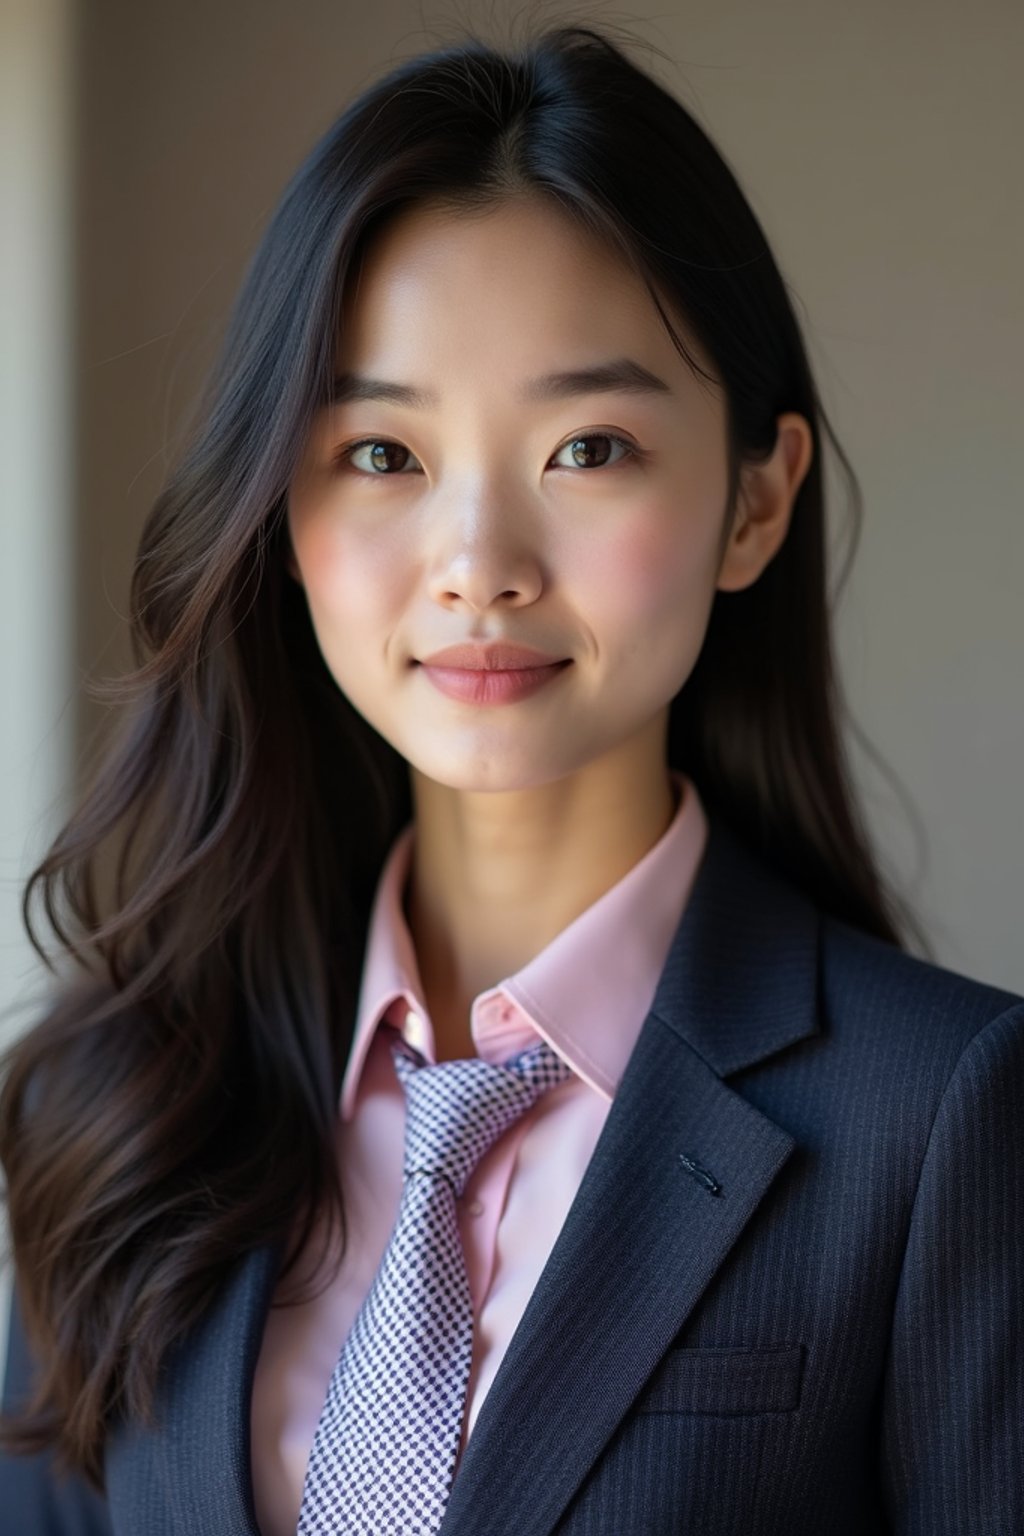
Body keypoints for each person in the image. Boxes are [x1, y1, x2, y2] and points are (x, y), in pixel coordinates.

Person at [1, 20, 1021, 1536]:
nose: (479, 567)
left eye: (589, 447)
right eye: (382, 456)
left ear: (757, 502)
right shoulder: (128, 1104)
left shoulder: (941, 1122)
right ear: (280, 507)